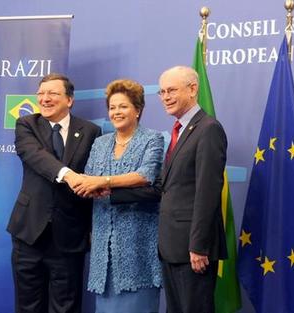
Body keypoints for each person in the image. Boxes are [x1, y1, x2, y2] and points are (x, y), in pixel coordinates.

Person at [7, 73, 101, 313]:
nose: (45, 99)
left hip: (69, 236)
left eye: (53, 93)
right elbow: (36, 157)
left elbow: (94, 176)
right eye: (41, 94)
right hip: (29, 233)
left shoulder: (90, 131)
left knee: (66, 307)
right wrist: (70, 175)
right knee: (28, 306)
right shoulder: (26, 124)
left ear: (69, 100)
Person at [71, 79, 164, 313]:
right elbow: (90, 177)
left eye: (122, 106)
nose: (116, 112)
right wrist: (92, 183)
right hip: (102, 238)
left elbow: (145, 175)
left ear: (138, 110)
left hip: (139, 237)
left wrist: (104, 182)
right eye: (112, 107)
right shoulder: (100, 142)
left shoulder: (152, 138)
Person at [157, 66, 228, 313]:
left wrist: (198, 246)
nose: (165, 96)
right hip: (171, 246)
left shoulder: (208, 129)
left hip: (193, 249)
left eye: (172, 90)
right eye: (162, 92)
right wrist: (111, 191)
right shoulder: (179, 130)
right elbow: (168, 187)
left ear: (193, 89)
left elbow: (208, 191)